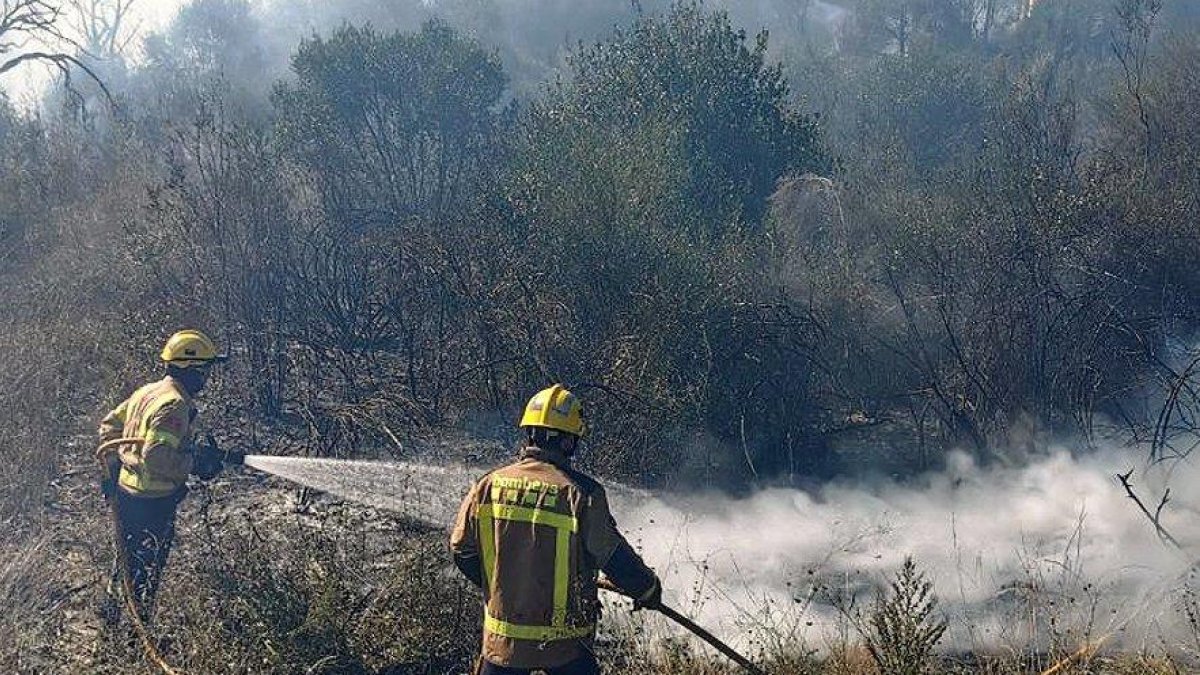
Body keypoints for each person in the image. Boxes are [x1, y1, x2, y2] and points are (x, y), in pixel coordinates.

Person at [450, 384, 662, 675]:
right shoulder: (581, 494)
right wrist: (647, 588)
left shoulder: (487, 485)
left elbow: (462, 552)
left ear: (529, 433)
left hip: (503, 644)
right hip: (566, 648)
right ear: (568, 442)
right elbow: (613, 557)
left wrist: (504, 588)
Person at [95, 329, 239, 624]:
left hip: (127, 493)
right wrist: (194, 464)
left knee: (125, 559)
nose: (207, 378)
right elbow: (157, 456)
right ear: (191, 369)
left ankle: (110, 621)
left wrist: (114, 472)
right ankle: (137, 635)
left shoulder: (148, 391)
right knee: (146, 571)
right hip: (152, 503)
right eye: (205, 371)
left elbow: (109, 426)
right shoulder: (174, 404)